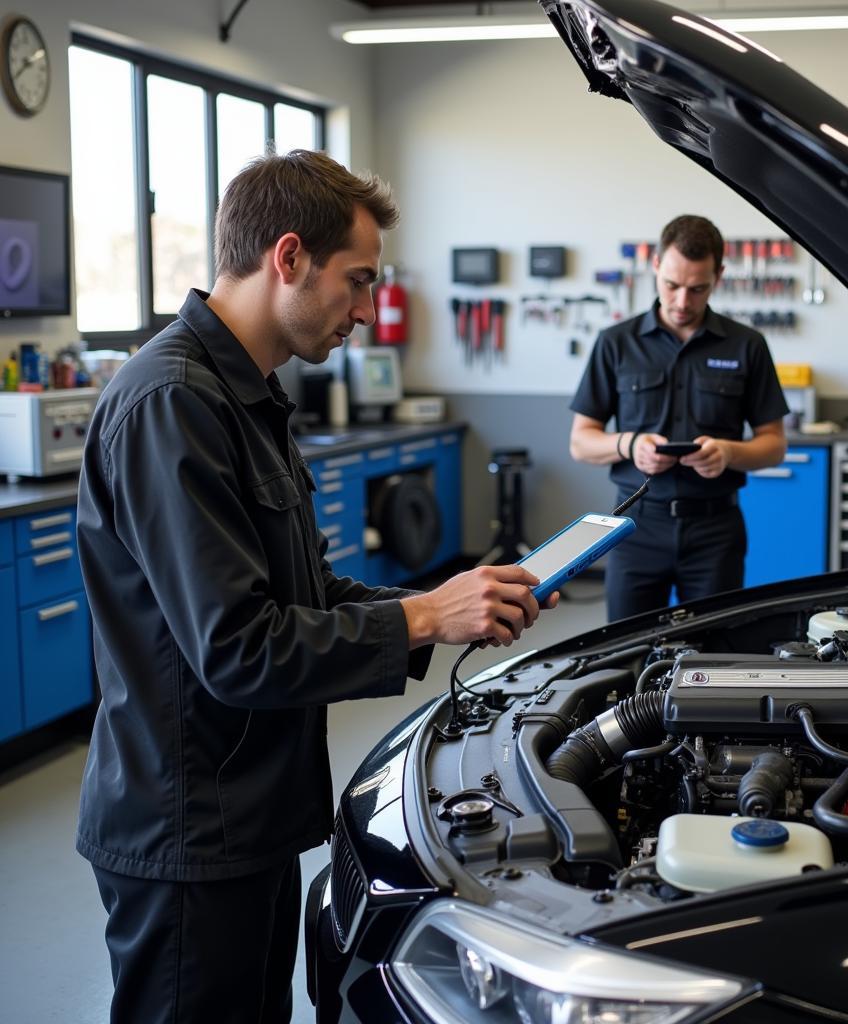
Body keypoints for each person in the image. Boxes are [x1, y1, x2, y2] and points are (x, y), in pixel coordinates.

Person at [75, 150, 554, 1024]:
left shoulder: (246, 395)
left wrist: (448, 606)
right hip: (187, 831)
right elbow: (239, 648)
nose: (369, 312)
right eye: (358, 282)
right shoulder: (171, 404)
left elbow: (304, 593)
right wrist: (417, 615)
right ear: (288, 257)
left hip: (246, 814)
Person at [569, 215, 788, 621]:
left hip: (715, 532)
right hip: (635, 527)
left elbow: (774, 444)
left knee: (714, 655)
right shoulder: (616, 343)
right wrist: (629, 444)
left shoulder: (748, 345)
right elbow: (581, 441)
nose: (682, 302)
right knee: (625, 655)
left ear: (718, 276)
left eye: (697, 288)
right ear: (655, 266)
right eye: (671, 285)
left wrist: (728, 452)